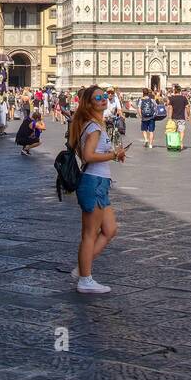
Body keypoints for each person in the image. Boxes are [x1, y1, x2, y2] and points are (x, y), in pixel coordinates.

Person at [68, 86, 125, 295]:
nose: (103, 100)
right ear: (89, 103)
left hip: (100, 183)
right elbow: (88, 156)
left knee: (110, 230)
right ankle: (85, 279)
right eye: (97, 98)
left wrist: (113, 154)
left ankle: (83, 268)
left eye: (104, 96)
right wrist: (112, 156)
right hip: (93, 182)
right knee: (89, 234)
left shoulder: (94, 124)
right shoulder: (94, 127)